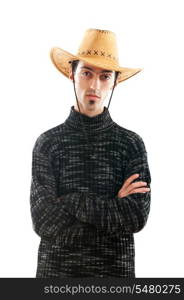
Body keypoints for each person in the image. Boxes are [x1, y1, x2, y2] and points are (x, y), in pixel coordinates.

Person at [30, 28, 151, 278]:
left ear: (115, 82)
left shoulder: (131, 144)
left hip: (113, 276)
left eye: (105, 76)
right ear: (72, 74)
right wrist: (112, 206)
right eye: (86, 73)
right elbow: (43, 221)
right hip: (55, 278)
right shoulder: (48, 143)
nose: (94, 84)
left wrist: (69, 201)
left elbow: (135, 217)